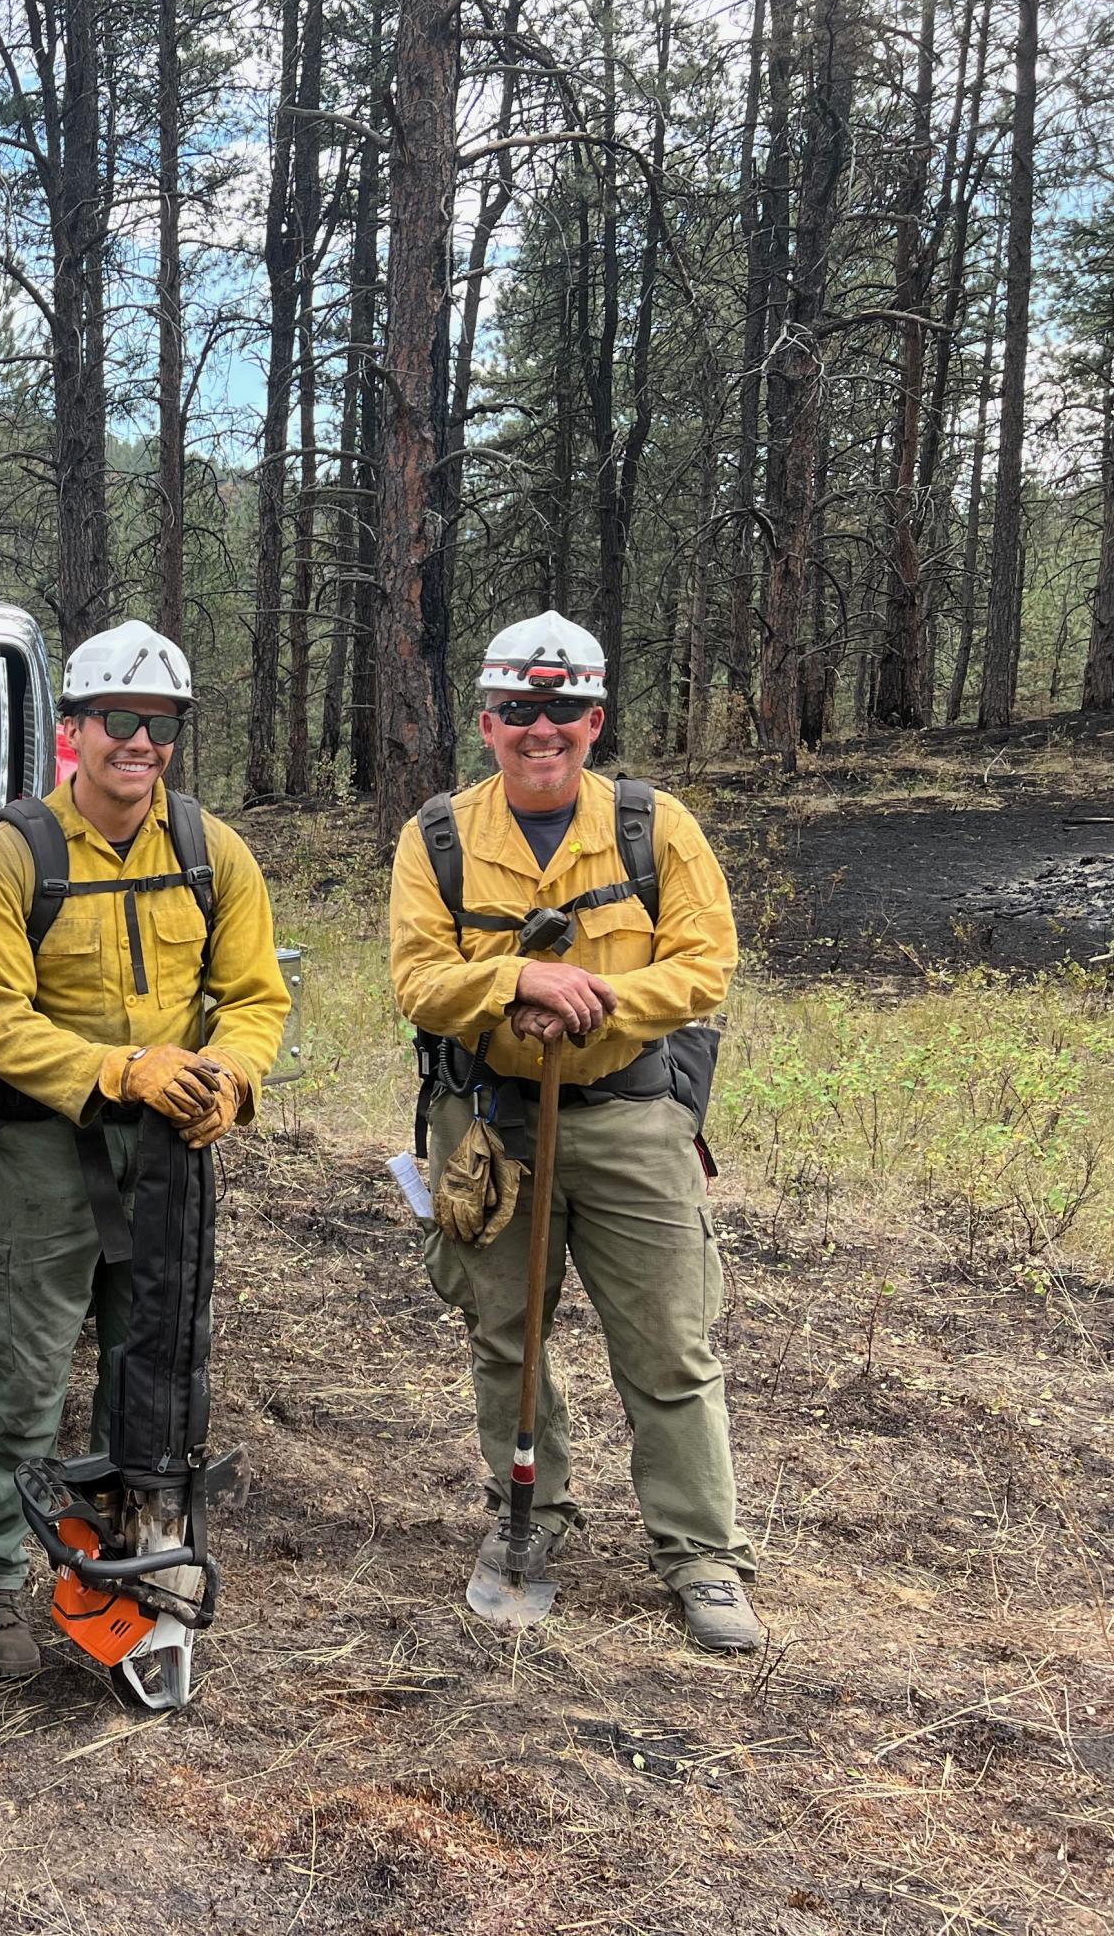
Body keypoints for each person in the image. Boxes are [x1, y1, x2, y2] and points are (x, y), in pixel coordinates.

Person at [388, 610, 759, 1651]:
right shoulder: (436, 838)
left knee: (669, 1348)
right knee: (505, 1337)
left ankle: (700, 1558)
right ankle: (528, 1523)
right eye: (517, 711)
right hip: (492, 1125)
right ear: (485, 721)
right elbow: (416, 977)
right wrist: (514, 980)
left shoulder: (654, 827)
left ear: (594, 720)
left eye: (560, 711)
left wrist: (592, 998)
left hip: (631, 1116)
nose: (538, 730)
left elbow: (702, 963)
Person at [0, 620, 292, 1675]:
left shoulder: (208, 850)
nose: (137, 742)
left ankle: (133, 1560)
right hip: (49, 1151)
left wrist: (225, 1079)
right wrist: (118, 1069)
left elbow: (252, 997)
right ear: (73, 728)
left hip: (170, 1149)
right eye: (116, 721)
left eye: (159, 725)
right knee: (27, 1372)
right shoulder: (15, 858)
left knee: (154, 1366)